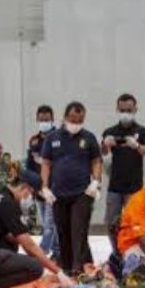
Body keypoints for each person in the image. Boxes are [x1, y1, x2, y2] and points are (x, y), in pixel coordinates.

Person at [41, 101, 102, 275]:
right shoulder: (52, 138)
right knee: (63, 232)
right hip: (58, 194)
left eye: (80, 120)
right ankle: (67, 268)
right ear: (65, 117)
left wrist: (95, 181)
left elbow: (96, 161)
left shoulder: (88, 138)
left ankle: (79, 268)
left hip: (81, 193)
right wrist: (45, 187)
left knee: (78, 231)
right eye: (73, 120)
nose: (76, 124)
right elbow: (46, 163)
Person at [101, 94, 145, 251]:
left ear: (135, 109)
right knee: (111, 222)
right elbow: (102, 153)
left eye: (129, 110)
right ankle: (116, 252)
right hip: (115, 186)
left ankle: (134, 252)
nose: (125, 113)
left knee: (135, 223)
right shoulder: (110, 131)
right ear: (117, 109)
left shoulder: (143, 131)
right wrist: (105, 144)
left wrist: (137, 145)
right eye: (122, 110)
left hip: (134, 187)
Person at [26, 105, 58, 257]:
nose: (44, 122)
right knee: (48, 223)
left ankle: (42, 251)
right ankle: (57, 251)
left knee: (50, 225)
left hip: (53, 188)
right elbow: (29, 165)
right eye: (41, 120)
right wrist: (30, 185)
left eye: (47, 120)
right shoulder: (34, 141)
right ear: (37, 120)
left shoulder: (59, 137)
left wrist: (45, 161)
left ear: (52, 120)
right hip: (38, 189)